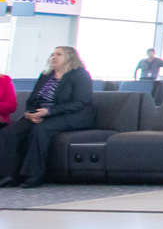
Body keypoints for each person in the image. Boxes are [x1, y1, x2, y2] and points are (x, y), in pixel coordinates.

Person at [0, 46, 95, 188]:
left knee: (40, 130)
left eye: (59, 54)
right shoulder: (46, 75)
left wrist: (49, 111)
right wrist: (30, 113)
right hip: (43, 114)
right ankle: (10, 175)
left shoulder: (80, 75)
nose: (53, 57)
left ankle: (34, 175)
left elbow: (80, 102)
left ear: (70, 57)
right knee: (8, 133)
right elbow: (32, 99)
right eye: (52, 54)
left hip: (72, 115)